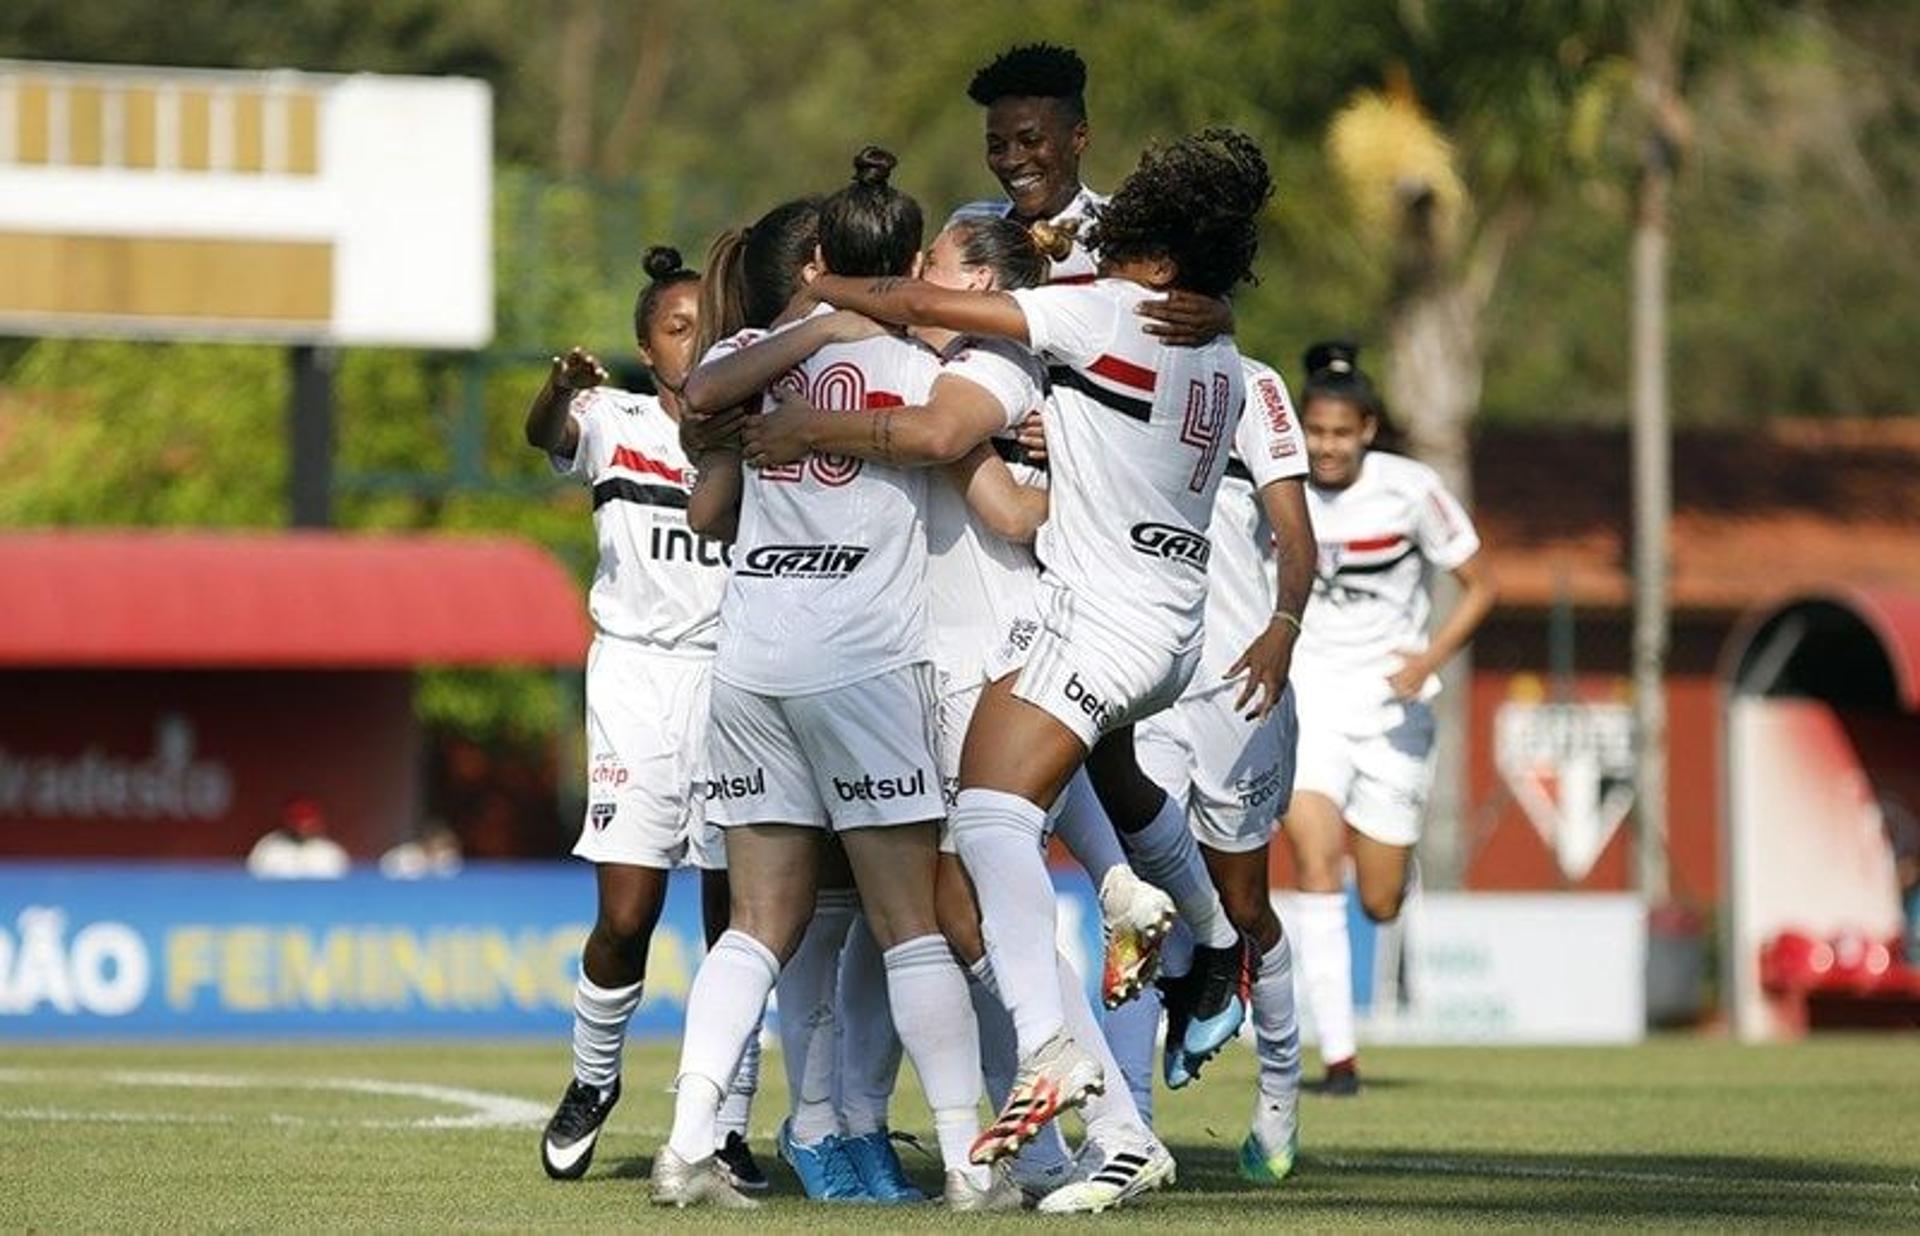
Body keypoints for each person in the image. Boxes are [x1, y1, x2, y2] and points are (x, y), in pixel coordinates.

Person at [801, 128, 1277, 1162]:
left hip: (1102, 620)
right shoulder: (1218, 345)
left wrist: (830, 285)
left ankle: (1058, 1046)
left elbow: (932, 312)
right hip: (1170, 622)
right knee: (1051, 797)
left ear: (1154, 248)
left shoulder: (1095, 314)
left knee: (987, 817)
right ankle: (1188, 936)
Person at [742, 213, 1179, 1212]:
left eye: (935, 262)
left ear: (979, 278)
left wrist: (830, 427)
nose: (916, 277)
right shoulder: (930, 366)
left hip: (990, 658)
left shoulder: (995, 364)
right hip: (941, 663)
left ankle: (1103, 1122)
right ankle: (1068, 1131)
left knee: (966, 910)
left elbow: (997, 497)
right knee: (962, 915)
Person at [651, 149, 1012, 1213]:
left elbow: (700, 397)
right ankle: (967, 1161)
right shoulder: (927, 357)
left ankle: (685, 1147)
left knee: (757, 922)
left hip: (754, 659)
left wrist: (809, 323)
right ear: (904, 260)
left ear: (818, 259)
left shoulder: (758, 349)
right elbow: (953, 428)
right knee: (911, 925)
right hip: (862, 661)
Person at [521, 245, 763, 1191]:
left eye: (707, 325)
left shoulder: (755, 430)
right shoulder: (611, 419)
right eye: (675, 327)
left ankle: (727, 1121)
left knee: (732, 919)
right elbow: (543, 433)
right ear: (643, 344)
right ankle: (593, 1080)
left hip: (734, 681)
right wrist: (555, 385)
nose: (694, 340)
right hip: (634, 679)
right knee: (627, 912)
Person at [1110, 355, 1315, 1187]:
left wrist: (1285, 623)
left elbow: (1297, 533)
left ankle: (1279, 1096)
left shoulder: (1252, 380)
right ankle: (1128, 1134)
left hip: (1239, 684)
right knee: (1136, 907)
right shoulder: (1100, 355)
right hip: (1140, 678)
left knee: (1243, 902)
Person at [1281, 341, 1497, 1096]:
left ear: (1368, 429)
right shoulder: (1277, 486)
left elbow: (1479, 585)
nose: (1326, 446)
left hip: (1393, 709)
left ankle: (1388, 893)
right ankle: (1337, 1057)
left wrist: (1427, 659)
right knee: (1313, 863)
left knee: (1378, 898)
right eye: (1315, 431)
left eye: (1341, 432)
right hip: (1310, 700)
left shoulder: (1412, 490)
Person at [245, 797, 349, 879]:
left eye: (307, 823)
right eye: (297, 823)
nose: (302, 828)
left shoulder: (330, 852)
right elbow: (253, 881)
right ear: (287, 822)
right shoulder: (268, 848)